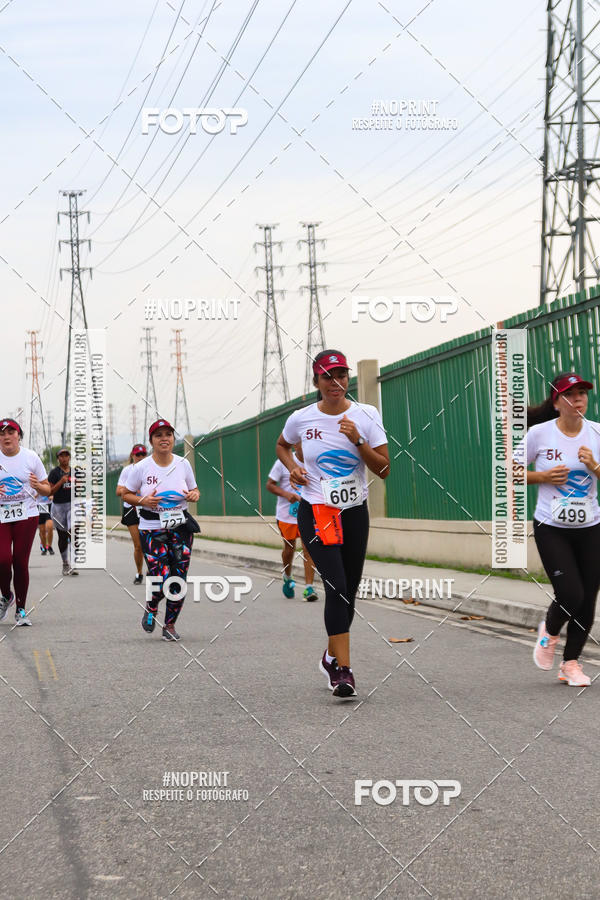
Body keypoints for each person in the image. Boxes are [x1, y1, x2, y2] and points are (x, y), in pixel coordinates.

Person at [276, 350, 390, 698]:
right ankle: (343, 671)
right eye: (328, 376)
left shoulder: (366, 415)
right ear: (316, 382)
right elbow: (282, 445)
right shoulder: (301, 418)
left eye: (341, 375)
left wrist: (359, 440)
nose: (335, 382)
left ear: (348, 379)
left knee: (349, 590)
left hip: (353, 512)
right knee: (337, 586)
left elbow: (384, 468)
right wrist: (293, 466)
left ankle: (330, 656)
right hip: (317, 511)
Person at [524, 373, 600, 687]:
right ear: (557, 402)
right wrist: (543, 477)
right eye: (570, 394)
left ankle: (570, 664)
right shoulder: (540, 434)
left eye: (582, 393)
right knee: (571, 593)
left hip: (591, 527)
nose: (578, 399)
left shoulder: (596, 433)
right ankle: (550, 631)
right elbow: (509, 472)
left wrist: (594, 466)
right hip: (551, 526)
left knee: (588, 598)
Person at [122, 419, 199, 642]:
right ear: (151, 441)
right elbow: (126, 494)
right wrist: (143, 500)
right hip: (151, 528)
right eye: (159, 435)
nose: (164, 439)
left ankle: (170, 625)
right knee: (162, 576)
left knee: (178, 578)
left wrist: (194, 494)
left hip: (180, 527)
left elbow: (194, 489)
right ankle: (152, 605)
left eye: (168, 434)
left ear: (173, 438)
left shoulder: (183, 464)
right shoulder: (141, 467)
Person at [0, 418, 52, 626]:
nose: (6, 437)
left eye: (11, 432)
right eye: (2, 433)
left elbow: (47, 489)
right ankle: (6, 596)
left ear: (19, 436)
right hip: (2, 516)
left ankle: (21, 610)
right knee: (3, 559)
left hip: (27, 514)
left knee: (20, 562)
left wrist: (38, 486)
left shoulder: (30, 457)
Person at [266, 444, 317, 600]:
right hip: (286, 515)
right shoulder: (283, 462)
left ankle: (309, 588)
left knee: (308, 548)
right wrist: (287, 495)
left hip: (308, 512)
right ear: (295, 444)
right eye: (302, 441)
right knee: (289, 549)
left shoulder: (314, 460)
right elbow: (270, 485)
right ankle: (287, 577)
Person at [116, 444, 147, 584]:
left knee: (150, 543)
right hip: (131, 509)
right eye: (137, 455)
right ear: (132, 456)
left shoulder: (151, 468)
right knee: (138, 545)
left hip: (148, 508)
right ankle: (139, 573)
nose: (140, 457)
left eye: (143, 454)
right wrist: (131, 489)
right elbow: (118, 491)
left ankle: (152, 569)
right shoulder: (127, 470)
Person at [48, 448, 78, 576]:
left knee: (74, 533)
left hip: (73, 505)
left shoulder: (75, 472)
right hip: (59, 507)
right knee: (63, 536)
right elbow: (50, 491)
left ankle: (74, 563)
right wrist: (61, 482)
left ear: (69, 457)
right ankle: (65, 563)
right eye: (61, 456)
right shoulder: (54, 473)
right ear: (58, 458)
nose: (64, 458)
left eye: (66, 455)